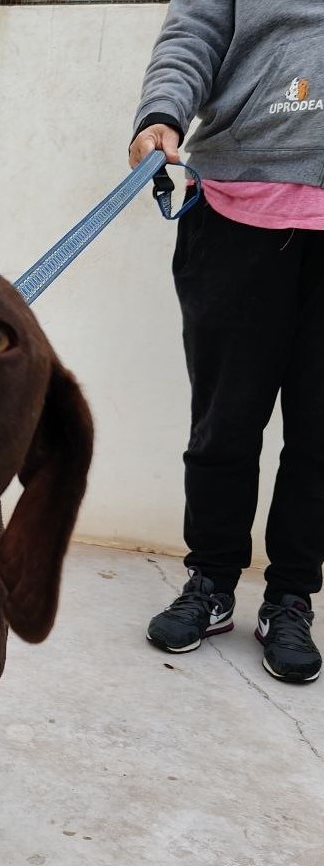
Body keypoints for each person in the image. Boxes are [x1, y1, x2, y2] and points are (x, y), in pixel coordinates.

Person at [129, 0, 324, 684]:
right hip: (236, 209)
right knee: (224, 420)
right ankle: (210, 581)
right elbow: (195, 30)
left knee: (318, 434)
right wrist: (161, 112)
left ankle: (290, 597)